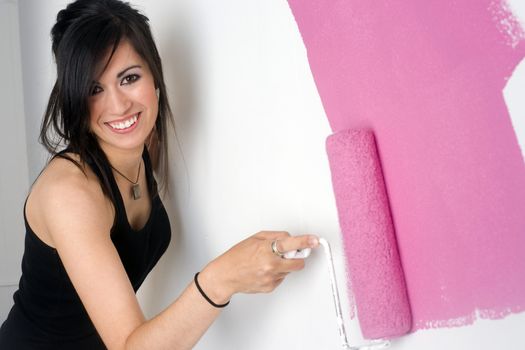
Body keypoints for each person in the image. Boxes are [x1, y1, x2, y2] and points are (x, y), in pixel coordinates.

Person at [0, 0, 319, 349]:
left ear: (155, 77)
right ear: (74, 98)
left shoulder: (138, 145)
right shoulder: (70, 192)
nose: (119, 105)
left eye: (129, 78)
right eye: (94, 89)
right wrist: (220, 280)